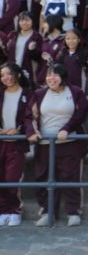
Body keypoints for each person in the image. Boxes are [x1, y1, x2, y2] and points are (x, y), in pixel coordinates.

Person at [25, 64, 88, 227]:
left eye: (55, 75)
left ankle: (73, 212)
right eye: (48, 75)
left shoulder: (75, 92)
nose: (51, 78)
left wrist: (67, 128)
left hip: (69, 143)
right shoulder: (39, 94)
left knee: (70, 177)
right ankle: (48, 212)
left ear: (63, 77)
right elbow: (29, 115)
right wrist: (31, 131)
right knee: (43, 177)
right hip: (45, 144)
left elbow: (81, 113)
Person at [0, 63, 32, 227]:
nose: (5, 77)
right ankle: (3, 210)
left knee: (12, 178)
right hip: (1, 141)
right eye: (2, 75)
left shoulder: (27, 94)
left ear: (18, 74)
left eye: (9, 73)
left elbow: (30, 117)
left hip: (17, 143)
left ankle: (14, 210)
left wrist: (19, 130)